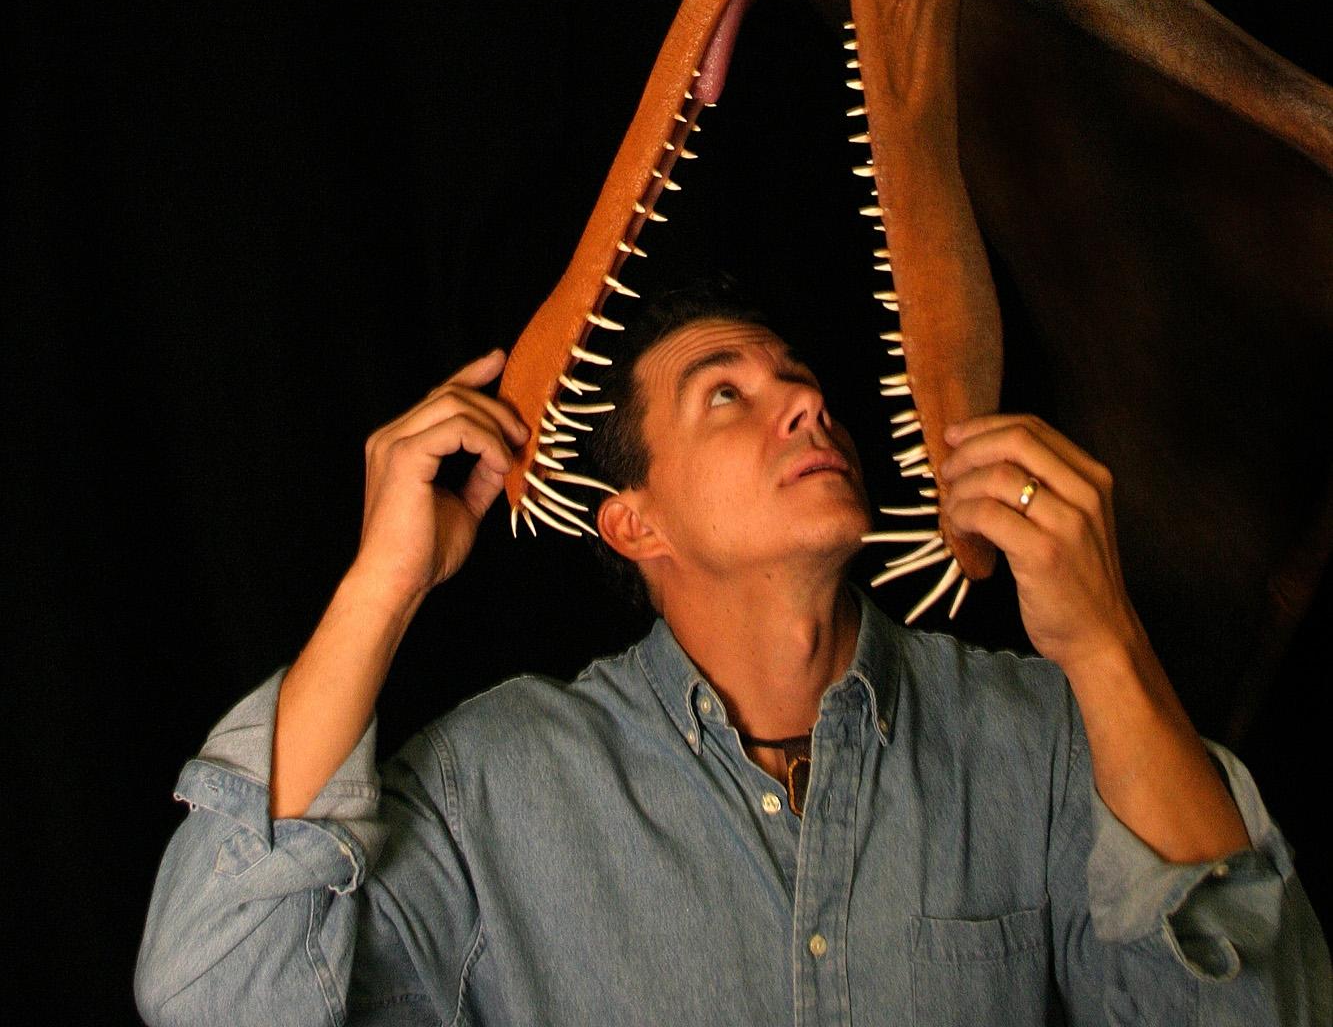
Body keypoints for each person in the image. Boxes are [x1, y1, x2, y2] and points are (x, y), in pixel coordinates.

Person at [134, 275, 1330, 1024]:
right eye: (726, 394)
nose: (806, 403)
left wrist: (1107, 644)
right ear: (634, 521)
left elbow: (1260, 1010)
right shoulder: (493, 785)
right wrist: (382, 584)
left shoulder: (1042, 736)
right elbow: (214, 993)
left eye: (799, 381)